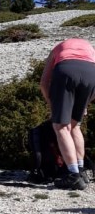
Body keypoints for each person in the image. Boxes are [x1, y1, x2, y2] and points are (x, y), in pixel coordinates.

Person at [40, 37, 95, 190]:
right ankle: (81, 171)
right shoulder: (90, 48)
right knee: (75, 126)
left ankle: (73, 175)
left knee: (61, 127)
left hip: (66, 71)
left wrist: (52, 104)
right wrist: (85, 103)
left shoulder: (58, 48)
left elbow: (44, 83)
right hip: (92, 74)